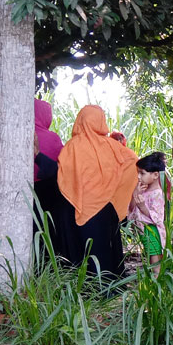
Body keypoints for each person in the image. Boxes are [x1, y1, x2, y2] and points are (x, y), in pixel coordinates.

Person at [58, 105, 138, 287]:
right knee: (105, 249)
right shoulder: (111, 146)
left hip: (78, 208)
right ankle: (110, 287)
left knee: (83, 250)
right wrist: (115, 194)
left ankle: (86, 290)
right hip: (104, 208)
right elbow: (133, 160)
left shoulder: (72, 147)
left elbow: (63, 175)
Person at [32, 99, 74, 261]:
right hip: (48, 193)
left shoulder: (17, 133)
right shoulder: (52, 138)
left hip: (24, 191)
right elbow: (62, 168)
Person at [129, 152, 168, 274]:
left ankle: (157, 287)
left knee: (155, 262)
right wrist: (136, 194)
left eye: (142, 173)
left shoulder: (157, 194)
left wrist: (142, 206)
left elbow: (157, 218)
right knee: (151, 260)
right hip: (145, 231)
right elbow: (131, 208)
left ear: (155, 175)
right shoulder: (143, 190)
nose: (139, 177)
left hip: (152, 231)